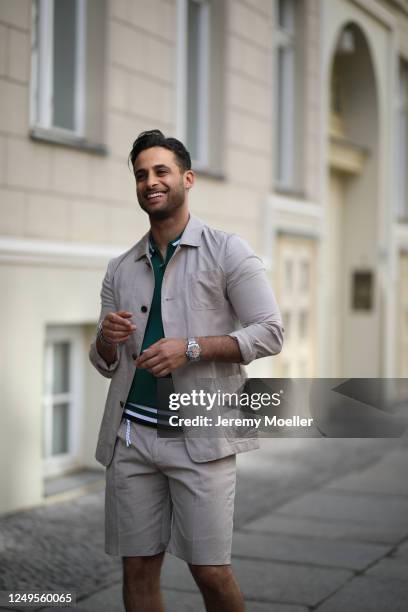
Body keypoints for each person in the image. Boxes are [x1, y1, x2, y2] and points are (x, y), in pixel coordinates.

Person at [89, 129, 284, 612]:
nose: (150, 182)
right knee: (136, 567)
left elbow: (270, 333)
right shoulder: (120, 267)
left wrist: (191, 348)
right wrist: (105, 341)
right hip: (131, 438)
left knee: (210, 571)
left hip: (200, 436)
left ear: (187, 179)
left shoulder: (227, 251)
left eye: (161, 171)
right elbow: (103, 361)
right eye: (141, 175)